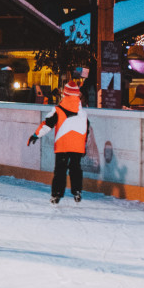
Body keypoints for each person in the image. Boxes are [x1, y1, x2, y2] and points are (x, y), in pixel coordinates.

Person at [26, 72, 89, 204]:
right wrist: (84, 146)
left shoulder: (58, 110)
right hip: (77, 146)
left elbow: (47, 124)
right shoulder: (83, 113)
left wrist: (36, 135)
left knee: (60, 170)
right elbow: (86, 130)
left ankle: (57, 195)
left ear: (65, 94)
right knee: (75, 168)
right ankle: (77, 191)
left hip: (63, 145)